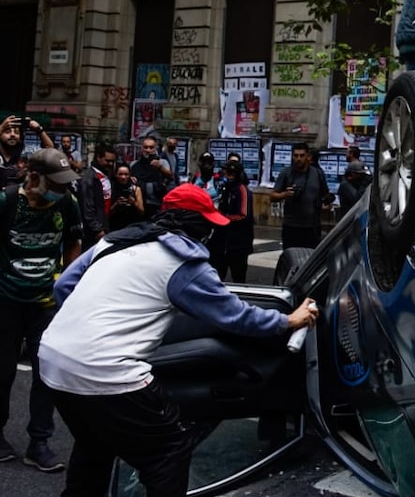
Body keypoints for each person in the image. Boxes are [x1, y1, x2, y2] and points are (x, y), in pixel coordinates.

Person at [39, 184, 318, 496]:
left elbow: (63, 286)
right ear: (196, 225)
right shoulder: (184, 262)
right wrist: (288, 320)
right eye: (208, 224)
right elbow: (234, 316)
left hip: (53, 360)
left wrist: (89, 325)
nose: (210, 232)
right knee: (168, 451)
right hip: (107, 373)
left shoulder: (113, 243)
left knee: (94, 447)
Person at [0, 148, 82, 472]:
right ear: (34, 177)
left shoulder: (67, 203)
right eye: (56, 183)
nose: (62, 189)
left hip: (45, 304)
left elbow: (73, 242)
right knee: (3, 372)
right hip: (5, 301)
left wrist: (68, 285)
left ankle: (39, 442)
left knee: (46, 373)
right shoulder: (7, 201)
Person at [270, 143, 332, 249]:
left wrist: (326, 204)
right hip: (291, 226)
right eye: (296, 155)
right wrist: (284, 194)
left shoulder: (317, 174)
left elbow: (326, 195)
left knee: (311, 257)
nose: (298, 159)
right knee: (290, 256)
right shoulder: (286, 173)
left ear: (308, 156)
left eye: (302, 155)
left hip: (312, 227)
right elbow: (272, 196)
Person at [211, 158, 254, 283]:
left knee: (238, 277)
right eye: (226, 174)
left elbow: (243, 215)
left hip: (239, 242)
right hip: (223, 241)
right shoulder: (225, 189)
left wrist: (223, 218)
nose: (227, 177)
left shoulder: (242, 190)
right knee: (217, 275)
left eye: (231, 174)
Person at [77, 143, 118, 250]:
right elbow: (87, 207)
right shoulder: (89, 179)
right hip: (95, 232)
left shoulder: (107, 175)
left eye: (112, 161)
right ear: (98, 157)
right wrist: (97, 229)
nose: (110, 164)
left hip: (107, 225)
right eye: (107, 161)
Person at [0, 115, 53, 186]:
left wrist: (39, 130)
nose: (12, 135)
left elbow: (50, 150)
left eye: (16, 132)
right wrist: (2, 127)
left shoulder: (26, 151)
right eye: (7, 132)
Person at [130, 136, 173, 217]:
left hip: (158, 202)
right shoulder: (134, 164)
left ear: (155, 148)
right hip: (140, 203)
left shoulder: (162, 163)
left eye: (151, 147)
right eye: (146, 147)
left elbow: (171, 177)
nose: (148, 150)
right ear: (142, 148)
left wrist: (160, 167)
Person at [107, 164, 146, 232]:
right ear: (115, 175)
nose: (123, 177)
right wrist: (116, 204)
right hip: (115, 225)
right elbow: (106, 214)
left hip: (132, 225)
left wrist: (134, 203)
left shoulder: (136, 189)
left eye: (126, 174)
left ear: (129, 175)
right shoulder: (110, 188)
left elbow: (142, 212)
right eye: (120, 174)